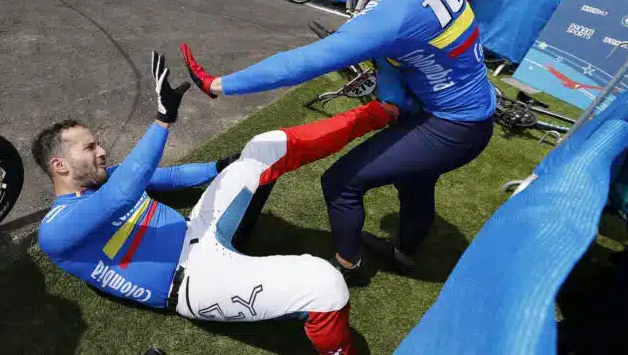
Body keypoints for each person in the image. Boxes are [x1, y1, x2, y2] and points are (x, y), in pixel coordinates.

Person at [181, 0, 496, 282]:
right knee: (415, 180)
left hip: (454, 124)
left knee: (341, 183)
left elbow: (305, 62)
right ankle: (404, 253)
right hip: (463, 111)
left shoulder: (394, 13)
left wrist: (220, 84)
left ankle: (350, 269)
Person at [35, 52, 402, 355]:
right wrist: (163, 120)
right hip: (192, 283)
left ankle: (380, 113)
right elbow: (123, 196)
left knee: (264, 144)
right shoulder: (56, 228)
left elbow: (174, 177)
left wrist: (224, 166)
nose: (102, 151)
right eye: (90, 148)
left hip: (199, 231)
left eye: (98, 143)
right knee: (325, 284)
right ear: (60, 166)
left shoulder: (111, 176)